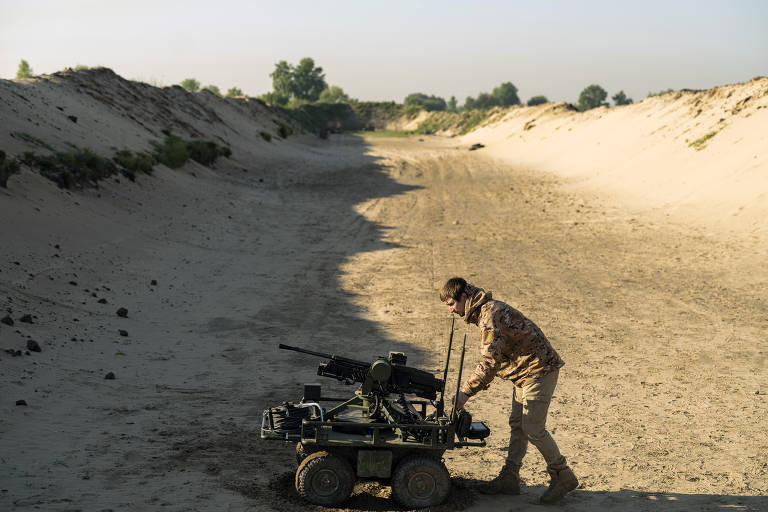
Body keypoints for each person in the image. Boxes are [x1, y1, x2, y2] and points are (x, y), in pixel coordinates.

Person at [440, 277, 578, 504]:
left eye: (451, 304)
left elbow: (489, 363)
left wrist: (465, 393)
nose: (451, 311)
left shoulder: (488, 316)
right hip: (526, 372)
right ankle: (510, 477)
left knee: (533, 427)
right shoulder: (485, 311)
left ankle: (563, 475)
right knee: (518, 424)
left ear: (463, 297)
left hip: (539, 370)